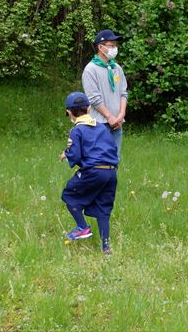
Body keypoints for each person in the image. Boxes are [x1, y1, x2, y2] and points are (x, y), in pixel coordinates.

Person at [60, 92, 119, 254]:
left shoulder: (76, 131)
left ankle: (82, 227)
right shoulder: (101, 128)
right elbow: (112, 149)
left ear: (69, 112)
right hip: (111, 172)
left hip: (93, 172)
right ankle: (106, 248)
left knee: (69, 195)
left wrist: (67, 154)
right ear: (89, 108)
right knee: (103, 208)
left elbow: (76, 154)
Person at [82, 29, 128, 158]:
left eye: (116, 45)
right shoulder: (91, 69)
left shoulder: (116, 68)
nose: (114, 48)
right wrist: (109, 117)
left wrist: (121, 115)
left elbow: (123, 93)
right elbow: (94, 98)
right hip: (99, 123)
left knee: (114, 159)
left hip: (117, 122)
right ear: (100, 47)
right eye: (111, 45)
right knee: (99, 161)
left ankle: (112, 179)